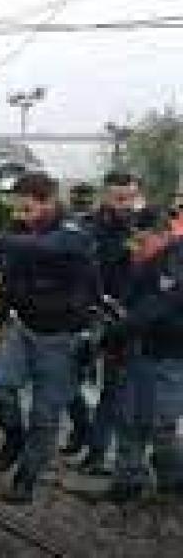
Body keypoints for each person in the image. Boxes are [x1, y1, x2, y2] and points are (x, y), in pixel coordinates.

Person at [0, 172, 101, 504]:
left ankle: (26, 480)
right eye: (18, 210)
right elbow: (10, 282)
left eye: (28, 209)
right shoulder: (24, 233)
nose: (21, 217)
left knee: (45, 416)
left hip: (64, 340)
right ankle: (13, 436)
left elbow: (49, 248)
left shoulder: (75, 234)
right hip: (26, 330)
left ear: (51, 201)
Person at [76, 171, 158, 474]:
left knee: (115, 389)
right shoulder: (90, 227)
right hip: (90, 313)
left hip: (128, 320)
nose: (125, 204)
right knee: (70, 380)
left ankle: (98, 453)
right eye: (118, 198)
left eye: (130, 198)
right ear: (106, 196)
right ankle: (82, 433)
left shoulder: (148, 227)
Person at [102, 211, 183, 502]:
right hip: (145, 349)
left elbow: (156, 308)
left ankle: (172, 480)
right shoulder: (154, 260)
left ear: (162, 234)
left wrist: (117, 331)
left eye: (141, 241)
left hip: (169, 355)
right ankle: (128, 481)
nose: (136, 248)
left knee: (159, 422)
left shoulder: (175, 261)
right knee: (130, 417)